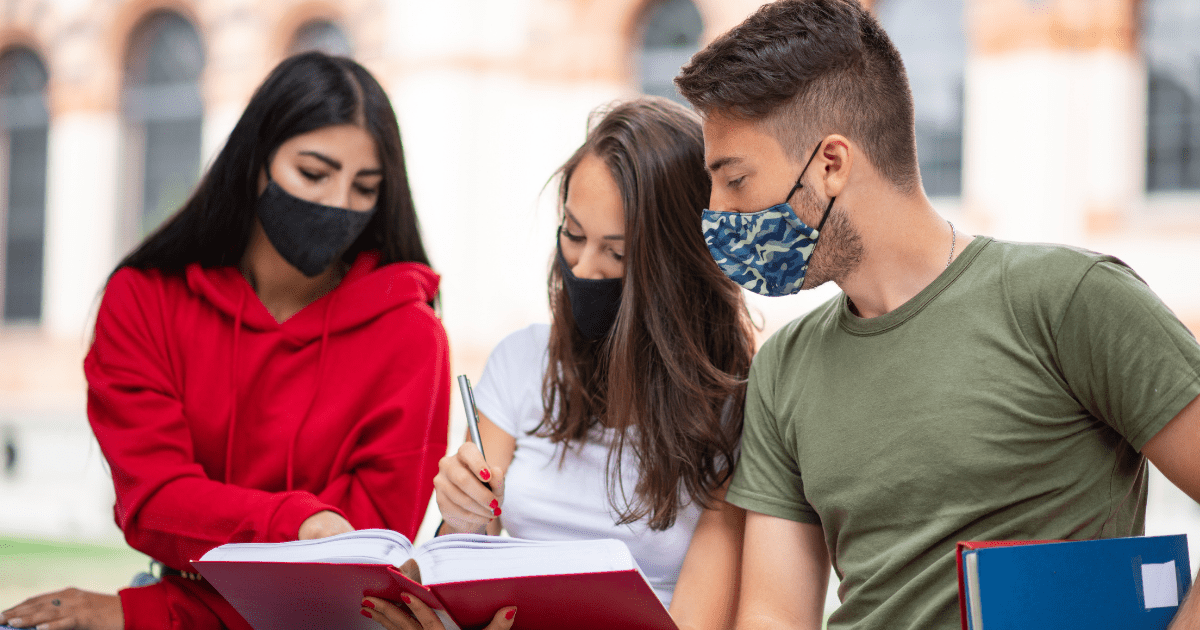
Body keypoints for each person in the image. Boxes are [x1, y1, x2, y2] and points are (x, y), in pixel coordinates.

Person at [669, 1, 1200, 629]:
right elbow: (773, 617)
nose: (717, 214)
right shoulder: (784, 366)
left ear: (830, 165)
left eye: (734, 180)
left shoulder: (1069, 300)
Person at [0, 52, 451, 630]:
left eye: (364, 187)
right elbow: (155, 503)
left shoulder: (411, 337)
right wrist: (302, 525)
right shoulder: (143, 301)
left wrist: (146, 615)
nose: (338, 204)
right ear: (257, 162)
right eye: (314, 174)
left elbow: (355, 578)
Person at [359, 98, 756, 630]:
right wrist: (461, 517)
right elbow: (455, 572)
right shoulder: (522, 362)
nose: (584, 268)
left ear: (681, 264)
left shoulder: (737, 409)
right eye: (573, 234)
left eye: (617, 253)